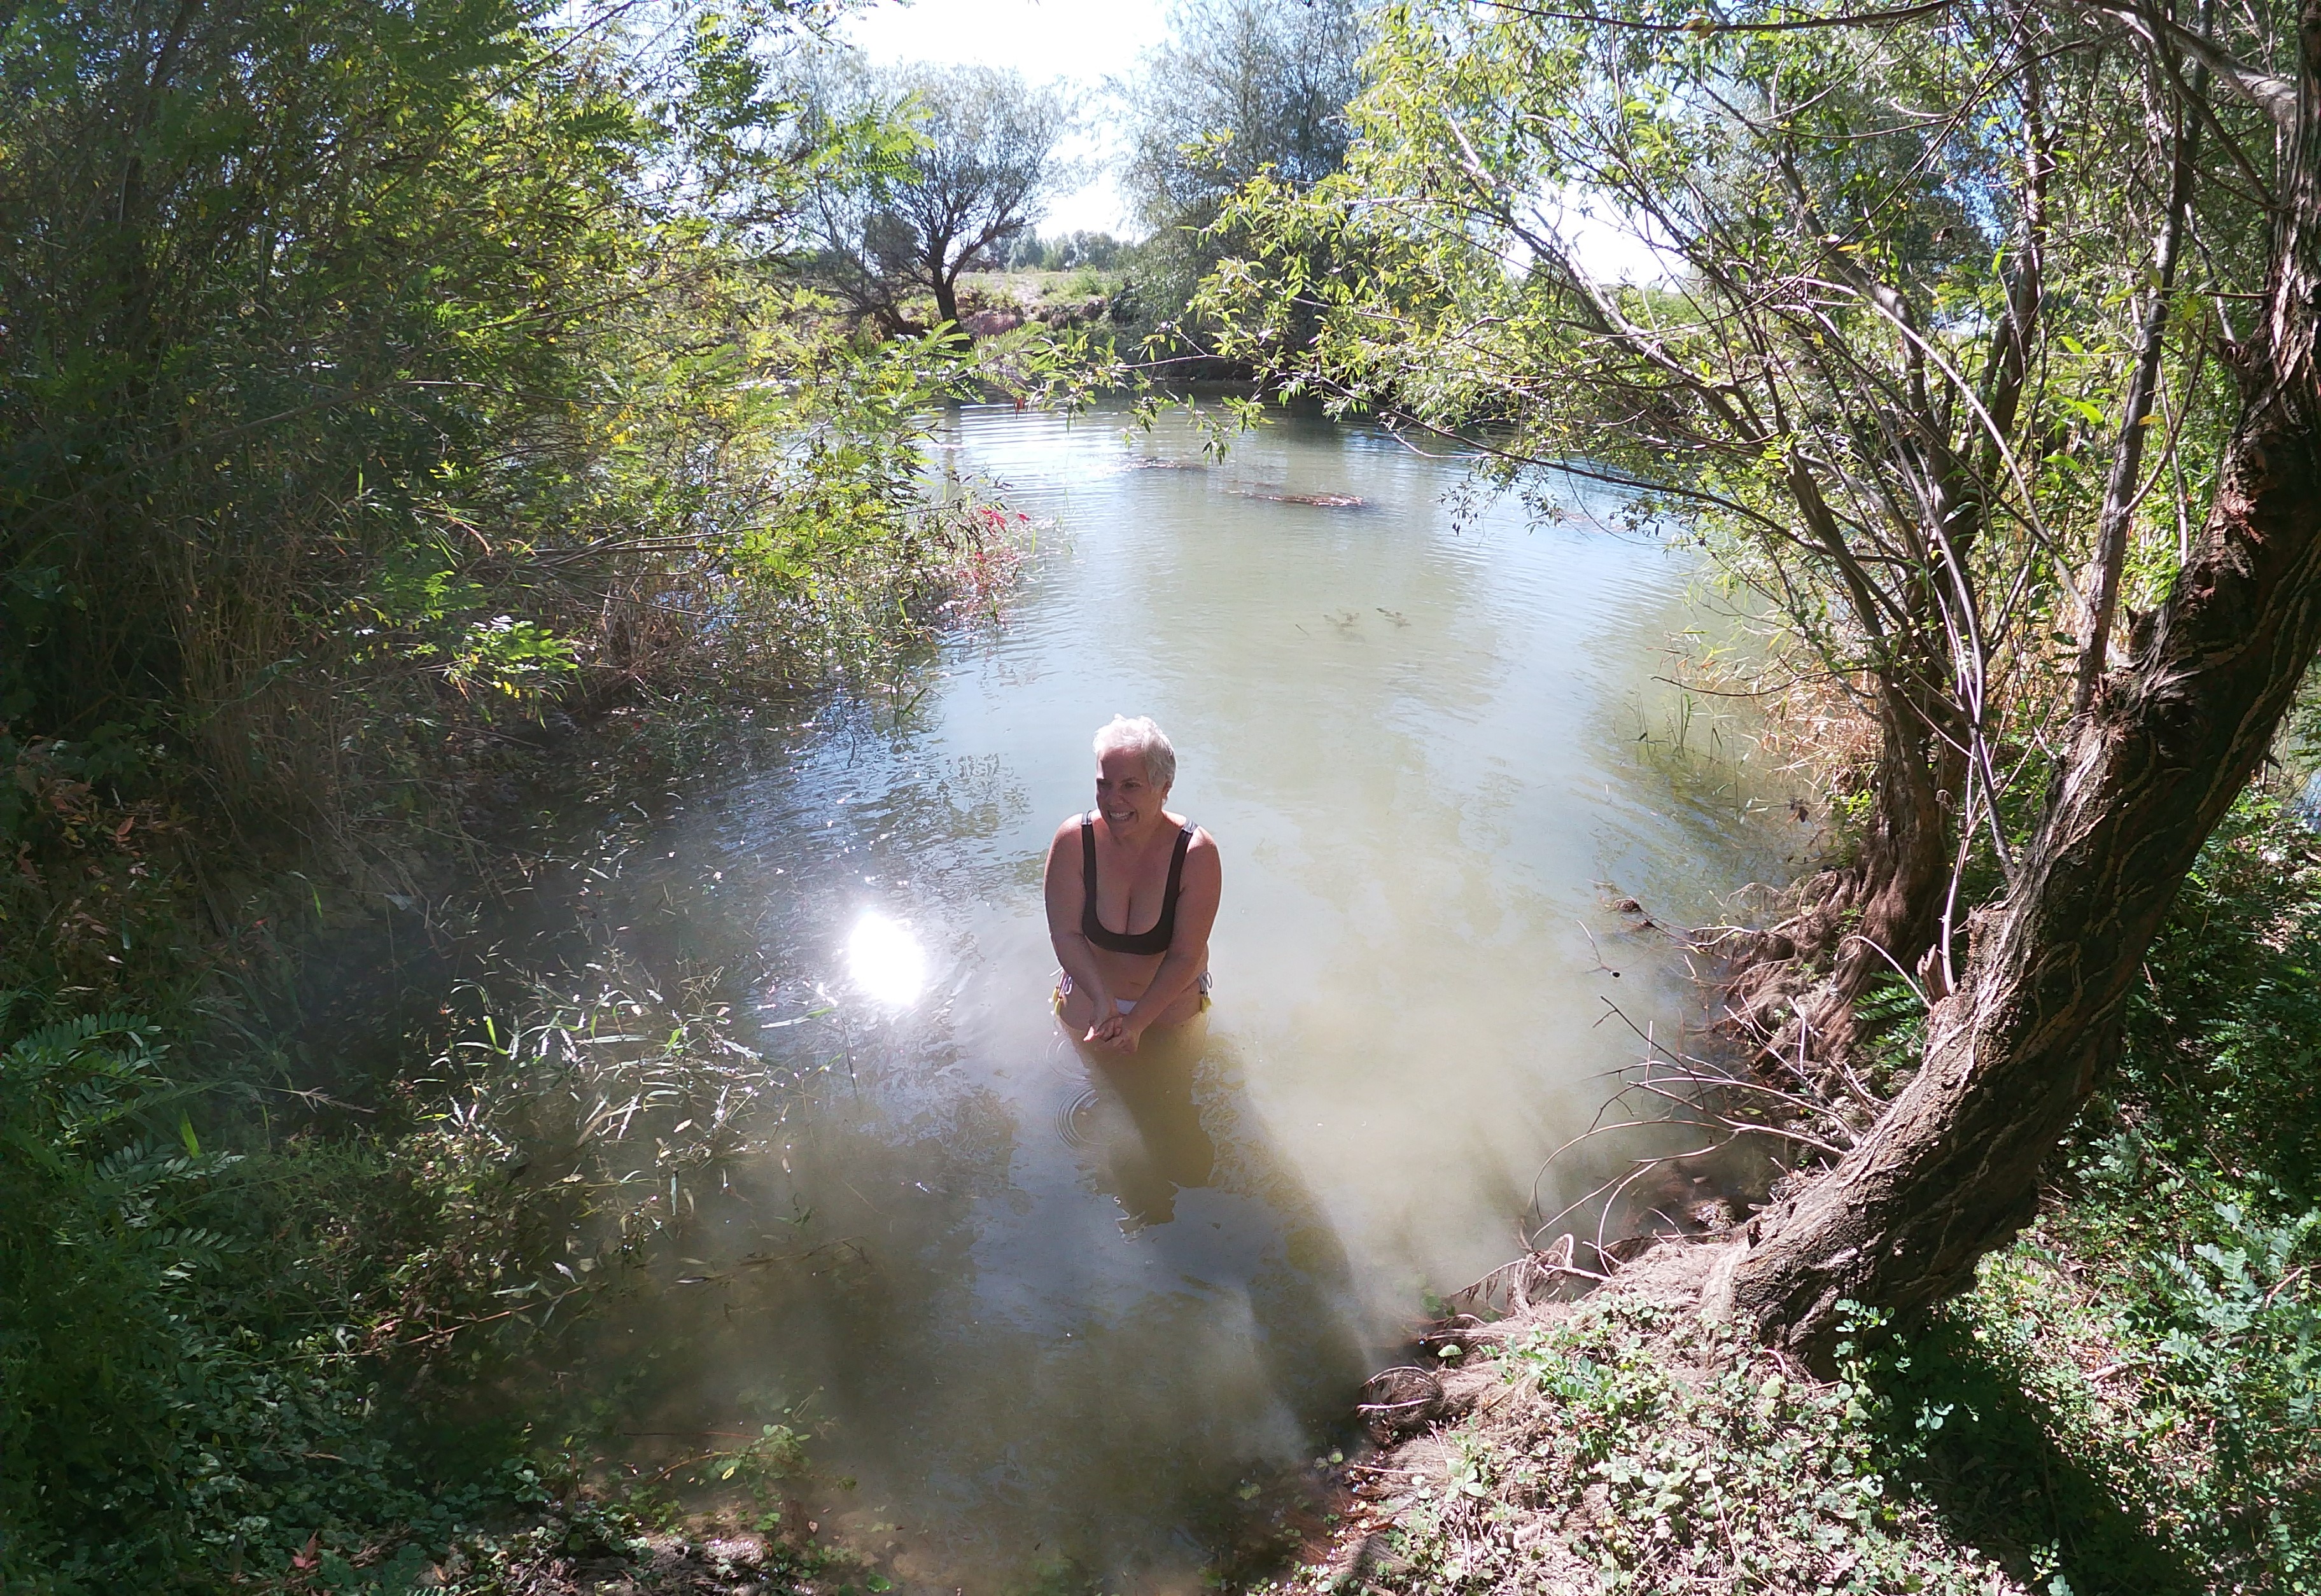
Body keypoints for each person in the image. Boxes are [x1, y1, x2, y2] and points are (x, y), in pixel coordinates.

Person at [1044, 715, 1220, 1051]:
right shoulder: (1074, 842)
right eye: (1104, 784)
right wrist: (1101, 1001)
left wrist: (1137, 1023)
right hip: (1091, 995)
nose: (1113, 800)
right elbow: (1065, 934)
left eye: (1130, 786)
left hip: (1170, 1003)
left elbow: (1185, 955)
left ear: (1164, 788)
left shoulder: (1196, 853)